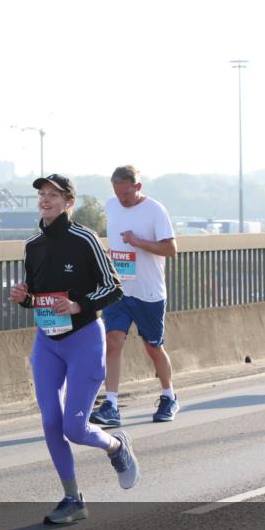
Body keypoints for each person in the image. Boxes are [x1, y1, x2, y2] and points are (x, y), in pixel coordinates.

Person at [8, 174, 139, 525]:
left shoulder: (84, 239)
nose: (45, 200)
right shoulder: (33, 244)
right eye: (41, 194)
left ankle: (116, 447)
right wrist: (26, 298)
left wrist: (80, 305)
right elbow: (38, 296)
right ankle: (72, 499)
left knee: (75, 429)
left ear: (69, 203)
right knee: (51, 422)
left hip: (83, 341)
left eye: (54, 195)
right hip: (46, 343)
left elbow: (113, 287)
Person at [89, 165, 179, 427]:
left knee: (153, 347)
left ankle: (168, 395)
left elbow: (171, 249)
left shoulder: (155, 210)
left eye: (126, 194)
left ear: (138, 187)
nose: (121, 199)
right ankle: (111, 404)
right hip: (118, 289)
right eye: (117, 194)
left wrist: (138, 242)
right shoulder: (111, 205)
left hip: (148, 292)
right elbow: (114, 241)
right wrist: (108, 255)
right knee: (113, 342)